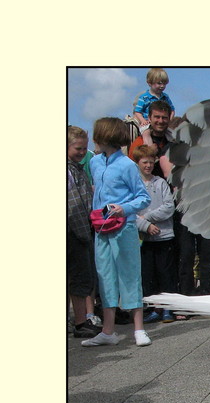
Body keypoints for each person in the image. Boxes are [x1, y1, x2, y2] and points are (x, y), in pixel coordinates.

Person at [81, 117, 152, 347]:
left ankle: (139, 328)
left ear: (104, 136)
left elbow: (143, 197)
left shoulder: (128, 165)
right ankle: (108, 331)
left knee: (130, 274)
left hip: (124, 227)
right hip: (101, 227)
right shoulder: (95, 163)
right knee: (105, 276)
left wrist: (124, 208)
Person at [132, 145, 177, 323]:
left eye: (151, 162)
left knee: (165, 273)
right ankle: (154, 308)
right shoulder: (133, 185)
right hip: (144, 238)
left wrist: (148, 218)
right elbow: (130, 211)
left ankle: (167, 308)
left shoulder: (161, 183)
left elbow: (169, 206)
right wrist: (144, 225)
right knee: (148, 275)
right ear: (138, 163)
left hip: (164, 235)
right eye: (145, 162)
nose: (148, 165)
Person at [68, 127, 101, 338]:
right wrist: (84, 233)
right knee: (79, 279)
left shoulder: (77, 168)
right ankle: (80, 322)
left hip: (79, 231)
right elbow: (72, 206)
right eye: (78, 148)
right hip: (75, 232)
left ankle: (81, 320)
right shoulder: (68, 171)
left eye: (84, 148)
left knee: (80, 278)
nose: (82, 152)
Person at [128, 100, 173, 178]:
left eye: (164, 118)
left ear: (169, 118)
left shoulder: (175, 141)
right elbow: (130, 172)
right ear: (149, 118)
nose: (161, 121)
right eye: (157, 117)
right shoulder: (140, 143)